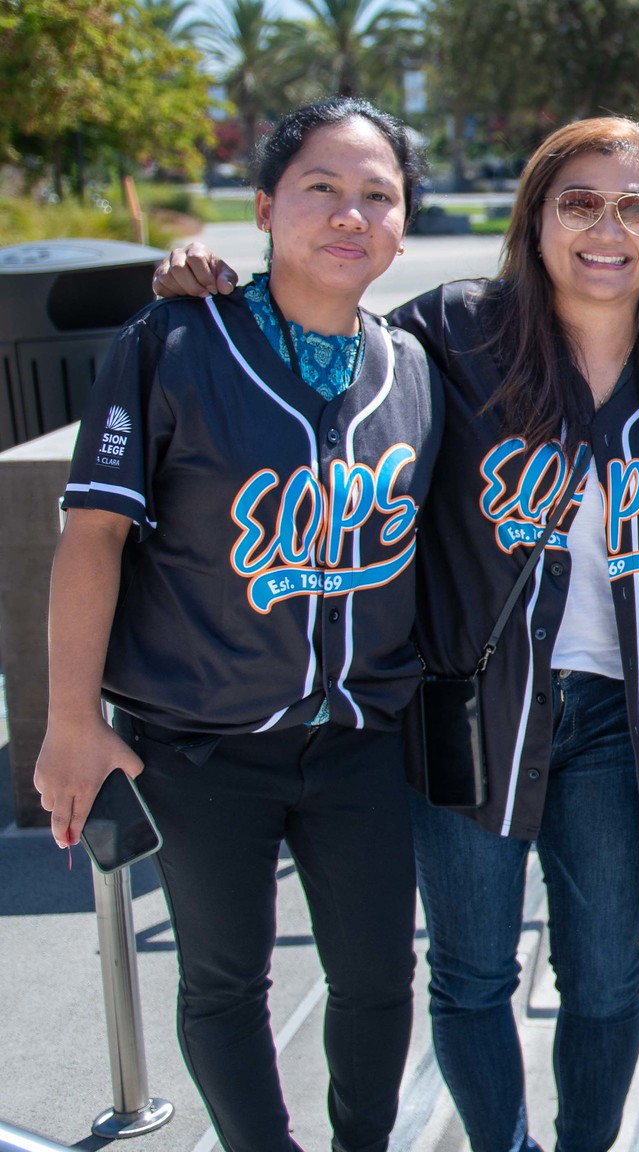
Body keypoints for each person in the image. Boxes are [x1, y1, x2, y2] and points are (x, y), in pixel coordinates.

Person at [151, 117, 639, 1152]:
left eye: (635, 208)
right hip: (471, 711)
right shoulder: (457, 333)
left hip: (616, 722)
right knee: (471, 972)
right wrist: (216, 280)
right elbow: (321, 330)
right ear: (537, 219)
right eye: (579, 203)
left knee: (606, 971)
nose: (607, 228)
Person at [34, 97, 437, 1152]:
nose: (350, 215)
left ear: (403, 227)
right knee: (223, 978)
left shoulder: (414, 370)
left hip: (358, 738)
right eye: (321, 188)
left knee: (377, 976)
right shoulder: (172, 341)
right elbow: (92, 539)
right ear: (262, 206)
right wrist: (71, 721)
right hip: (201, 740)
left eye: (377, 196)